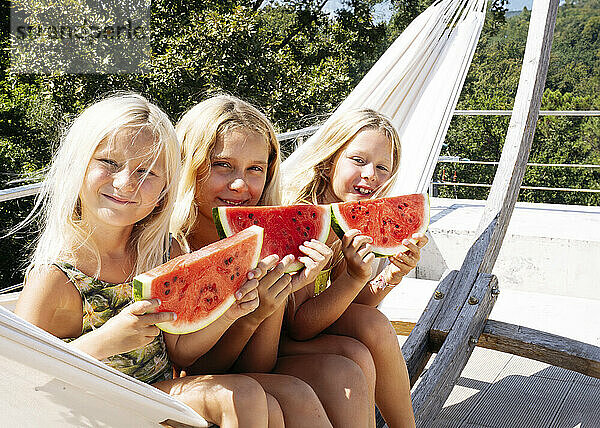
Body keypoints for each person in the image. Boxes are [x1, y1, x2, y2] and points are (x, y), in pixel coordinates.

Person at [14, 93, 285, 428]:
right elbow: (19, 378)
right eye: (110, 163)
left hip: (157, 396)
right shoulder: (55, 278)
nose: (126, 183)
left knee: (263, 401)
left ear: (164, 191)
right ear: (77, 165)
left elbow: (181, 352)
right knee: (242, 395)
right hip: (93, 411)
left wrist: (230, 311)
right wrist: (106, 340)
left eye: (146, 172)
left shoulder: (163, 252)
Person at [171, 94, 373, 427]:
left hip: (246, 372)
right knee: (296, 392)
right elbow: (196, 368)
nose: (240, 184)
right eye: (223, 165)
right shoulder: (173, 246)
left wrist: (275, 301)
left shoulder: (264, 240)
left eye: (255, 169)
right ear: (189, 163)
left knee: (342, 371)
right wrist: (254, 315)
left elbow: (260, 364)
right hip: (192, 386)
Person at [280, 108, 429, 428]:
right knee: (358, 351)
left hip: (311, 330)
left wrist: (390, 276)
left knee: (371, 326)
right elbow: (299, 325)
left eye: (382, 168)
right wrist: (354, 276)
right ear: (330, 158)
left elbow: (353, 309)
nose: (371, 174)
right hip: (271, 341)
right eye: (358, 160)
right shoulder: (301, 215)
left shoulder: (353, 216)